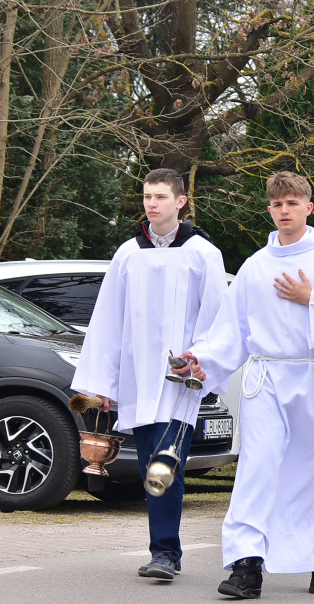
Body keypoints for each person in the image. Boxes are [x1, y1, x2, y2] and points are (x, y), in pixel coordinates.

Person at [177, 171, 314, 598]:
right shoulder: (256, 265)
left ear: (309, 207)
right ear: (269, 209)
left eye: (292, 203)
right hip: (266, 376)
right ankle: (246, 566)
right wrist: (203, 360)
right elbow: (233, 329)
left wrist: (313, 300)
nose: (284, 211)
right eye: (276, 204)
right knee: (256, 468)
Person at [72, 168, 226, 581]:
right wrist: (102, 386)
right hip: (138, 378)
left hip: (180, 381)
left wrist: (203, 358)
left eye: (160, 196)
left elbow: (218, 317)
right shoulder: (128, 254)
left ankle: (165, 553)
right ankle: (163, 549)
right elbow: (108, 321)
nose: (151, 204)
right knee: (148, 467)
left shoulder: (202, 253)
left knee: (165, 463)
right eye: (146, 197)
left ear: (181, 202)